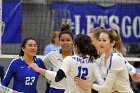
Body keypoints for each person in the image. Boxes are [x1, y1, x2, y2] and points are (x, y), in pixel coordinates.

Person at [29, 34, 104, 93]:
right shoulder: (93, 63)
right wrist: (91, 85)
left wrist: (38, 69)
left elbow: (57, 78)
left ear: (76, 47)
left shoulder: (69, 60)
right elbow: (102, 84)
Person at [43, 23, 75, 93]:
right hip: (55, 89)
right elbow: (41, 64)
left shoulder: (77, 56)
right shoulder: (52, 54)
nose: (65, 43)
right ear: (59, 41)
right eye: (62, 40)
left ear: (72, 41)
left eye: (68, 40)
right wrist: (47, 74)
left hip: (72, 90)